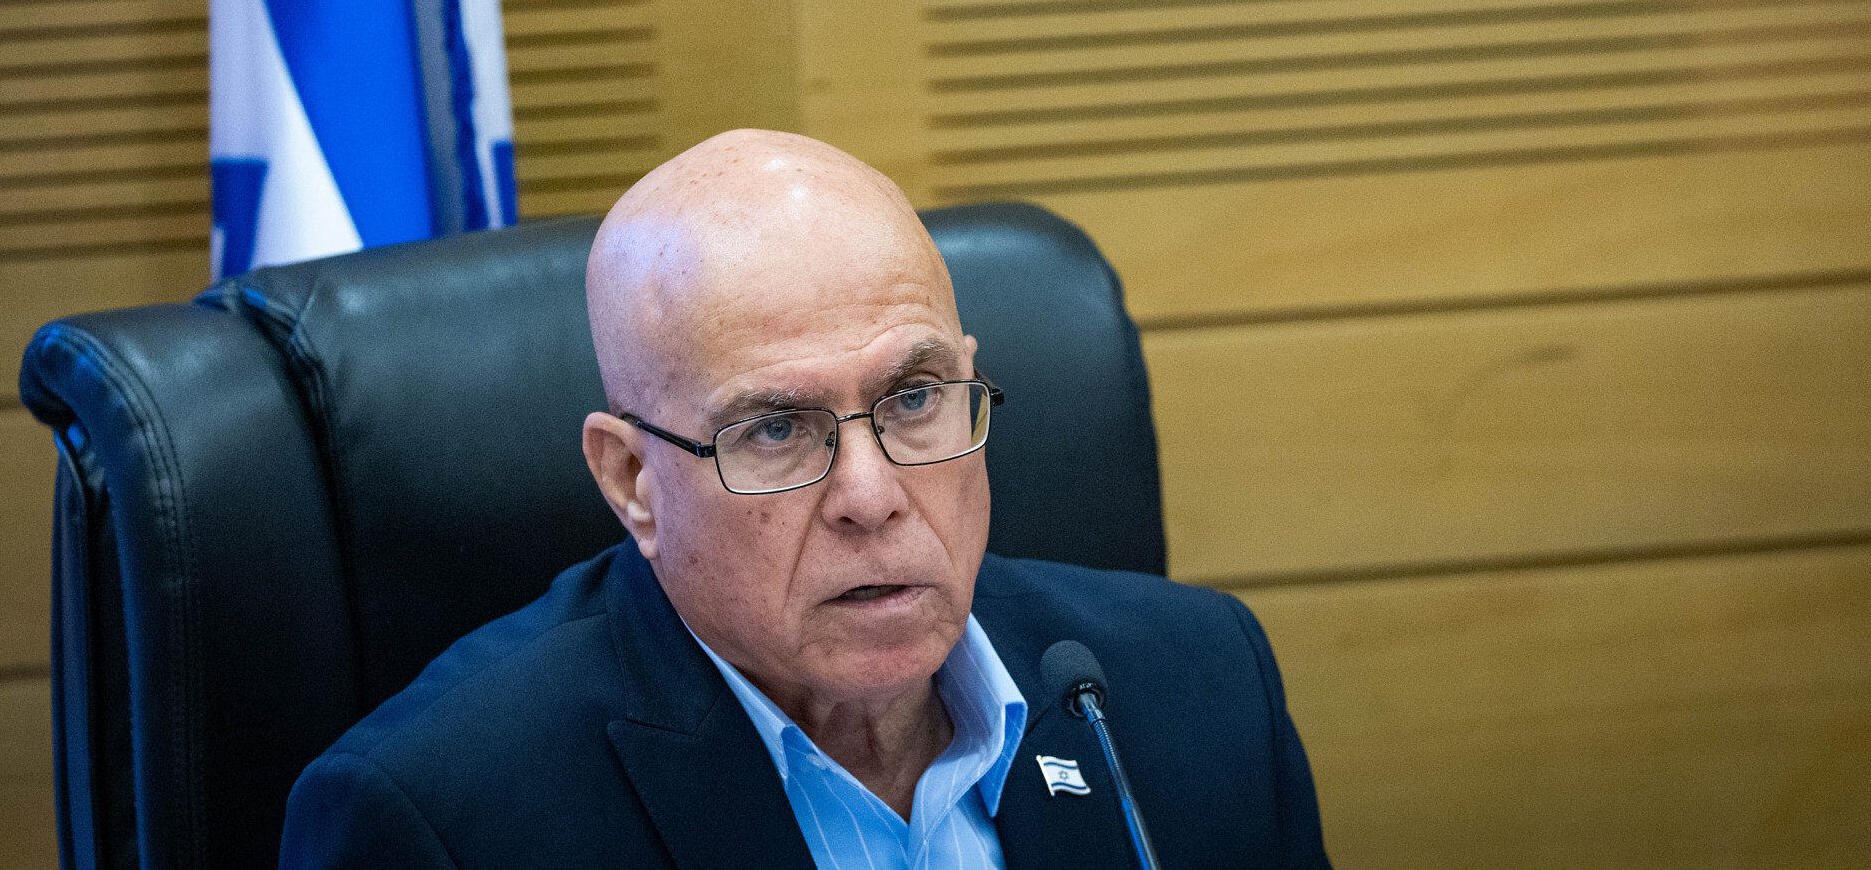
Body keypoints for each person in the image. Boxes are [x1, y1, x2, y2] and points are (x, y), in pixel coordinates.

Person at [280, 130, 1328, 868]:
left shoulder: (1195, 688)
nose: (871, 496)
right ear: (632, 481)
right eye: (775, 429)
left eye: (913, 398)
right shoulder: (435, 820)